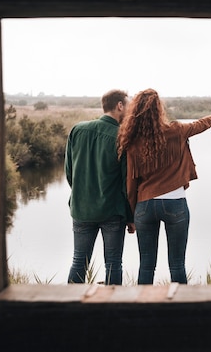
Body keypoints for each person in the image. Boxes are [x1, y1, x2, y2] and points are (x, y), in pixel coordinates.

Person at [116, 88, 211, 284]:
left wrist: (133, 214)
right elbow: (201, 124)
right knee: (177, 264)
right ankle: (181, 311)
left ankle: (143, 309)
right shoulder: (176, 131)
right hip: (175, 204)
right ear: (159, 109)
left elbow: (131, 183)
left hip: (144, 206)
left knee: (146, 265)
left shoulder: (133, 141)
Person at [65, 89, 136, 285]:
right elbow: (126, 183)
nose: (130, 112)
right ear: (119, 106)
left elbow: (70, 172)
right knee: (113, 263)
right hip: (112, 212)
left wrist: (82, 193)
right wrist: (131, 217)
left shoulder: (77, 130)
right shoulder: (121, 137)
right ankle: (113, 309)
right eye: (128, 106)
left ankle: (70, 307)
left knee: (79, 261)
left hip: (81, 209)